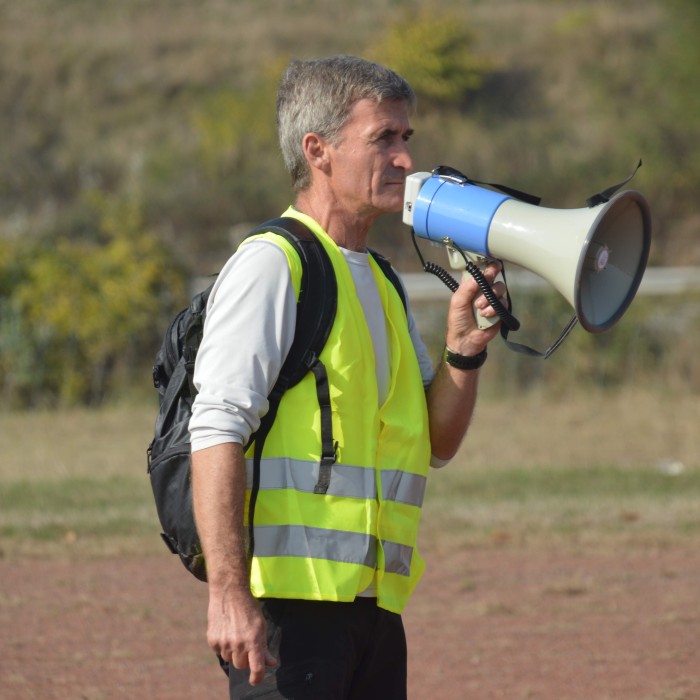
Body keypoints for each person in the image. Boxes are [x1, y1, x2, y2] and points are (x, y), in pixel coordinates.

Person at [188, 55, 506, 700]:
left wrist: (464, 350)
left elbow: (437, 443)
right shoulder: (272, 263)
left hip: (374, 609)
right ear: (318, 151)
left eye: (406, 137)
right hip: (286, 609)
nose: (405, 160)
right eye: (383, 138)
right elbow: (216, 429)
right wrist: (227, 595)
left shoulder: (383, 279)